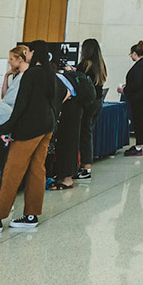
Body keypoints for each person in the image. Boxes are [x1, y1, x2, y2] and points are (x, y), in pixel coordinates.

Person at [0, 41, 57, 236]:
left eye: (28, 51)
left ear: (33, 52)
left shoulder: (31, 74)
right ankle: (31, 215)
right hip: (47, 127)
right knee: (36, 171)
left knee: (11, 172)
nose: (27, 55)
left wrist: (9, 129)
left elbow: (20, 104)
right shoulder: (49, 73)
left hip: (29, 129)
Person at [49, 49, 84, 191]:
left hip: (70, 113)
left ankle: (67, 179)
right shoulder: (60, 77)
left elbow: (68, 93)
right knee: (66, 144)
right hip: (72, 112)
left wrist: (56, 108)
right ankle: (63, 177)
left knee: (67, 144)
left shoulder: (57, 79)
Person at [76, 38, 107, 179]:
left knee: (84, 135)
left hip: (88, 103)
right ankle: (84, 165)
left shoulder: (85, 65)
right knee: (87, 133)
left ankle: (86, 167)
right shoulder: (100, 65)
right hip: (98, 101)